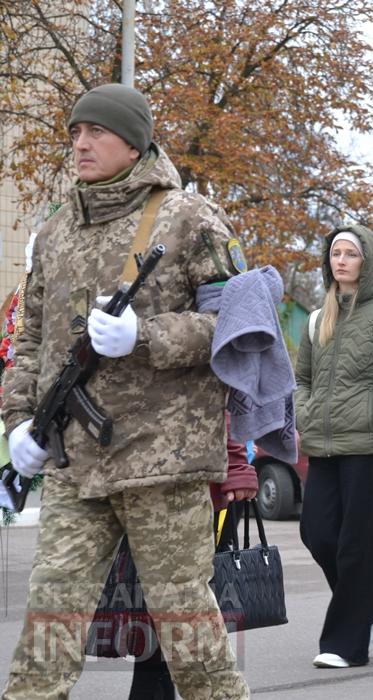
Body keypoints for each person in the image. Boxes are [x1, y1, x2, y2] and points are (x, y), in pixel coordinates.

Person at [2, 83, 249, 698]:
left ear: (133, 141)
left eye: (96, 132)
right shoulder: (58, 231)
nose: (80, 144)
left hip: (161, 461)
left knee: (187, 626)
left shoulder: (189, 216)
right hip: (73, 461)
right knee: (48, 622)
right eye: (75, 134)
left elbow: (241, 329)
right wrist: (19, 422)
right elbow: (30, 339)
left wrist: (148, 334)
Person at [295, 226, 373, 668]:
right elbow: (302, 380)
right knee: (317, 534)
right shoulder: (313, 320)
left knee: (355, 545)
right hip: (323, 445)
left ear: (368, 262)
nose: (340, 261)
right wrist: (304, 413)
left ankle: (346, 642)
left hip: (367, 446)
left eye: (350, 254)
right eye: (335, 254)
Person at [126, 429, 258, 700]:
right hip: (137, 484)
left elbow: (222, 403)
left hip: (195, 487)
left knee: (178, 606)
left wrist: (236, 464)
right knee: (156, 607)